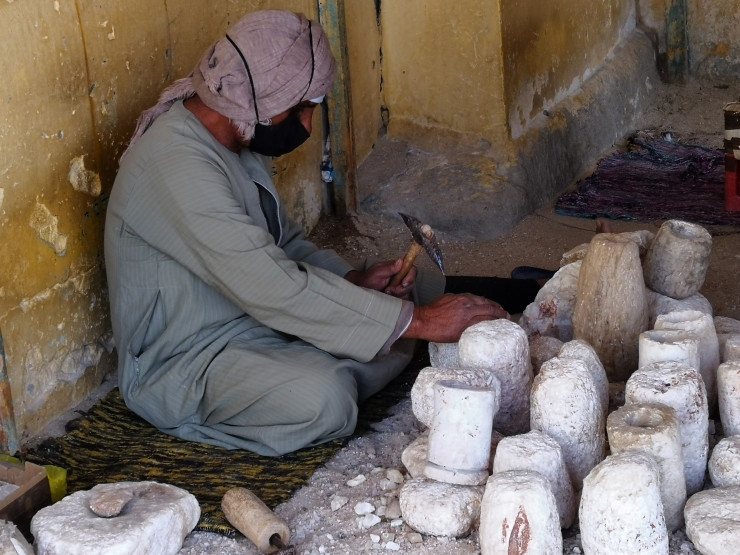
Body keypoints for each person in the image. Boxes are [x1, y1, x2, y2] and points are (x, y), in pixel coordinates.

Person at [104, 10, 535, 456]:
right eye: (301, 109)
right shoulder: (176, 166)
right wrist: (420, 323)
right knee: (325, 399)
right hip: (190, 358)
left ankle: (389, 328)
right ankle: (356, 350)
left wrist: (353, 281)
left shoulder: (234, 136)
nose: (307, 126)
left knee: (407, 295)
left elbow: (283, 244)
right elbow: (273, 288)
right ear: (262, 95)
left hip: (254, 315)